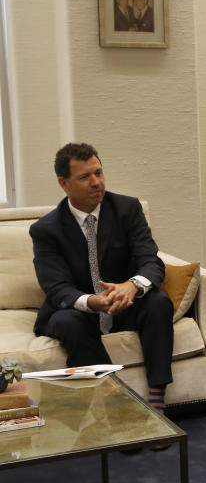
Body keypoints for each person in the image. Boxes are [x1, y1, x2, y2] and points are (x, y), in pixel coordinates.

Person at [30, 143, 174, 413]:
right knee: (66, 320)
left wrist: (132, 287)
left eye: (98, 173)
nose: (96, 182)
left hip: (124, 304)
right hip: (82, 310)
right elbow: (56, 287)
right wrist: (92, 301)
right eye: (85, 177)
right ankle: (117, 404)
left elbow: (150, 260)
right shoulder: (46, 229)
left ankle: (157, 400)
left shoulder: (127, 209)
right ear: (64, 183)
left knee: (158, 301)